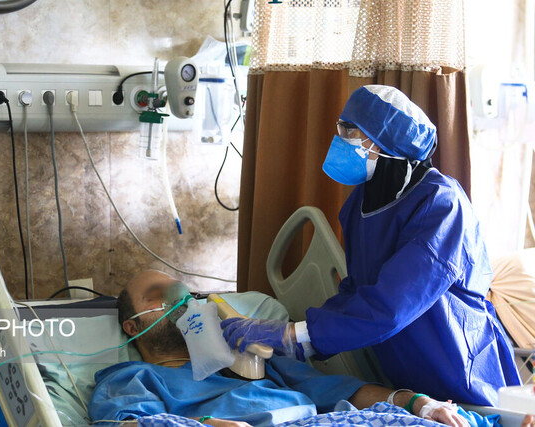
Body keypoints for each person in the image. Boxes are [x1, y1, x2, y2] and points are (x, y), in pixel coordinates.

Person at [220, 85, 523, 407]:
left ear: (389, 141)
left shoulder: (441, 205)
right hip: (401, 369)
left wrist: (295, 336)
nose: (340, 138)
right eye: (341, 127)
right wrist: (301, 337)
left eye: (351, 130)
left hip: (459, 365)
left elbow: (393, 303)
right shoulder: (359, 205)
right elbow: (357, 290)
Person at [88, 270, 472, 427]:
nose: (176, 300)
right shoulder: (131, 378)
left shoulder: (254, 363)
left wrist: (416, 402)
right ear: (133, 326)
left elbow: (346, 393)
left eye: (179, 291)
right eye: (157, 297)